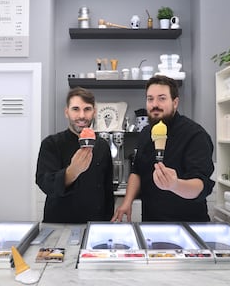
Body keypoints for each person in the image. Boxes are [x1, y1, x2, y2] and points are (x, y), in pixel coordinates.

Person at [112, 75, 215, 222]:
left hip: (188, 223)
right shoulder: (146, 133)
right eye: (150, 99)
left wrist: (175, 185)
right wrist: (126, 202)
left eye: (162, 98)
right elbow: (137, 172)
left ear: (175, 102)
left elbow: (201, 185)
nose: (155, 104)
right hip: (151, 222)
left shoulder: (195, 135)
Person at [36, 87, 114, 223]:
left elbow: (107, 190)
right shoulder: (51, 144)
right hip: (59, 222)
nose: (82, 116)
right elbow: (45, 183)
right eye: (76, 109)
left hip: (95, 223)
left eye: (87, 109)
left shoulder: (102, 146)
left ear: (94, 112)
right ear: (67, 112)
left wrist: (106, 222)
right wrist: (72, 172)